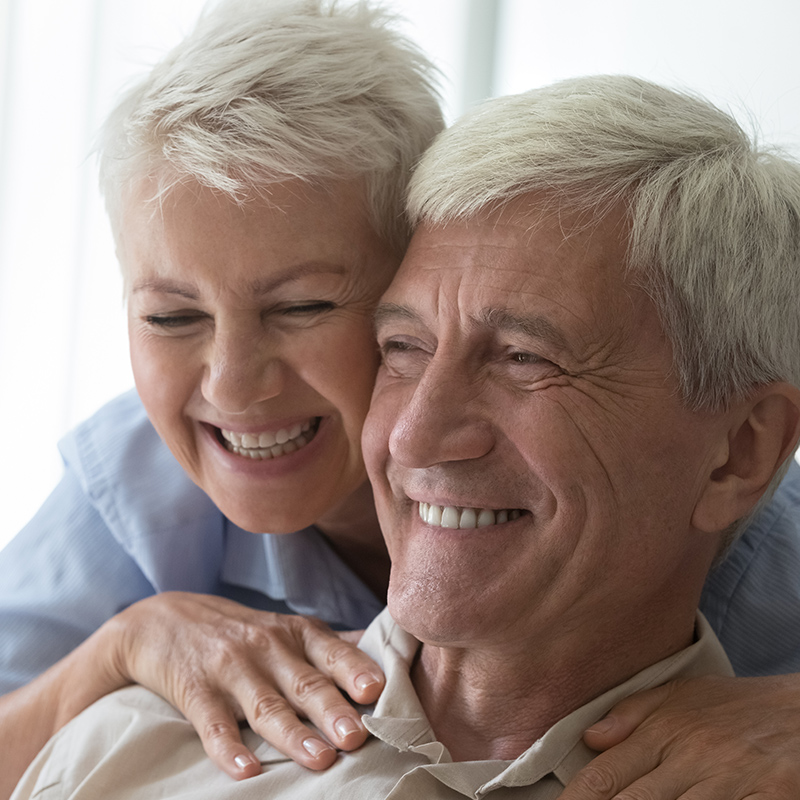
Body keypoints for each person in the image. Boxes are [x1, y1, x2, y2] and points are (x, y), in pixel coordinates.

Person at [12, 73, 800, 800]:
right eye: (404, 349)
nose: (416, 437)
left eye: (526, 359)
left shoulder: (773, 601)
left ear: (740, 452)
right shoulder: (124, 745)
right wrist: (123, 647)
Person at [0, 0, 443, 795]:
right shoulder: (135, 484)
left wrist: (752, 708)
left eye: (302, 306)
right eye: (172, 316)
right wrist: (124, 645)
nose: (233, 385)